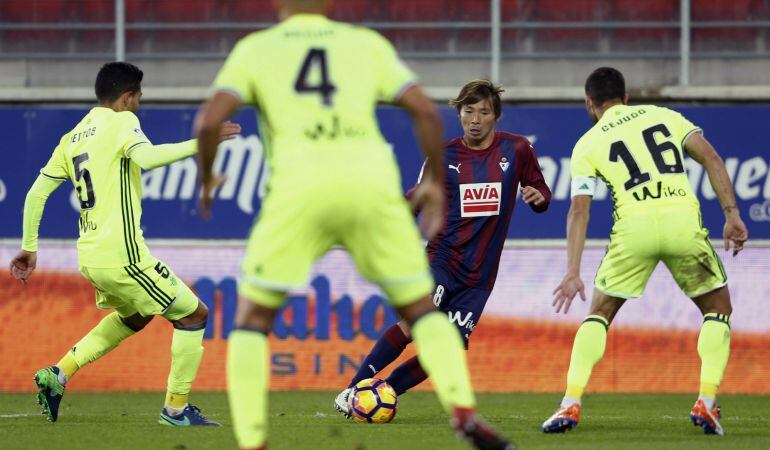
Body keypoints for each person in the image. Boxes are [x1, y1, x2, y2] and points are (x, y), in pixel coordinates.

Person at [194, 1, 513, 449]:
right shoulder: (365, 44)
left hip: (298, 189)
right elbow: (424, 112)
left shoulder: (255, 49)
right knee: (421, 312)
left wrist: (207, 178)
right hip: (370, 185)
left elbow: (208, 121)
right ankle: (463, 413)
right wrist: (435, 183)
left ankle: (252, 441)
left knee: (252, 319)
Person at [9, 62, 240, 426]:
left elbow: (36, 193)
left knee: (137, 314)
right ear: (126, 96)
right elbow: (146, 158)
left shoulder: (72, 136)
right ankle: (175, 410)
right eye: (138, 97)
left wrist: (29, 247)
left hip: (89, 257)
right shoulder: (121, 122)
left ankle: (59, 373)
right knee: (195, 315)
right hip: (123, 256)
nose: (139, 105)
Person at [541, 67, 748, 436]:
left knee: (600, 313)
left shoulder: (587, 143)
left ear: (590, 103)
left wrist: (573, 270)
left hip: (632, 228)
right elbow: (712, 158)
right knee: (718, 310)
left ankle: (570, 403)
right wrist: (731, 215)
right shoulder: (664, 116)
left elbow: (580, 209)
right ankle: (707, 400)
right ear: (626, 97)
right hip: (681, 220)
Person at [334, 79, 551, 413]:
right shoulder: (444, 156)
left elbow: (541, 192)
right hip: (442, 261)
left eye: (484, 111)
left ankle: (381, 394)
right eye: (469, 110)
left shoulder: (517, 150)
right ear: (459, 113)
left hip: (479, 278)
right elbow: (415, 199)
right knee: (414, 326)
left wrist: (538, 198)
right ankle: (353, 391)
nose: (475, 118)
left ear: (496, 117)